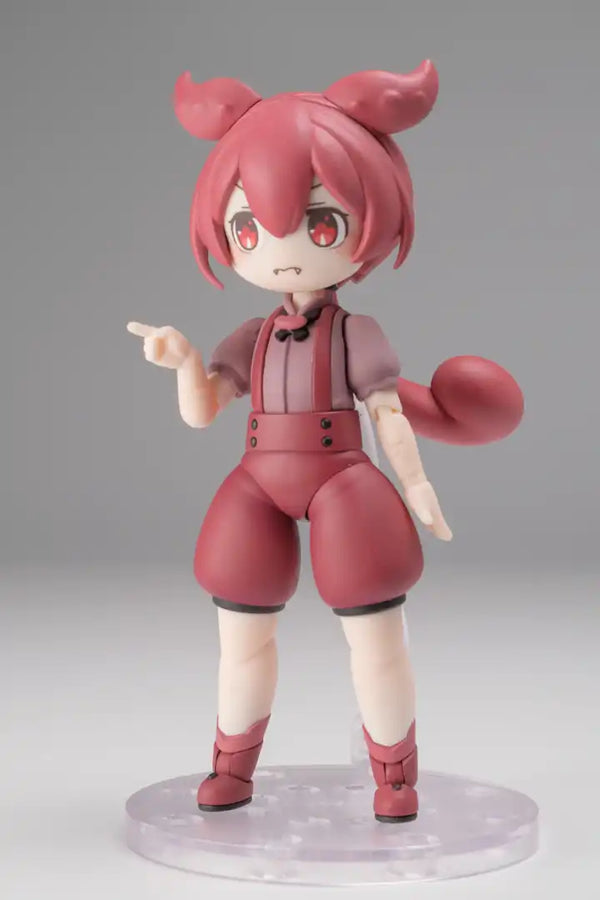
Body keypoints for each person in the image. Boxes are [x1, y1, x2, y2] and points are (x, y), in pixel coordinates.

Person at [127, 62, 523, 822]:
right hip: (257, 481)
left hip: (343, 478)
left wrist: (417, 486)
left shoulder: (354, 333)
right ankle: (232, 768)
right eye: (248, 228)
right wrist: (182, 363)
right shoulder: (252, 335)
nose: (277, 248)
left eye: (318, 223)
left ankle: (395, 775)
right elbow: (203, 412)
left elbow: (388, 414)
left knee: (376, 638)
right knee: (241, 639)